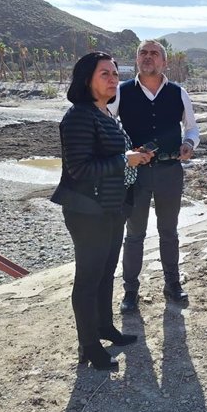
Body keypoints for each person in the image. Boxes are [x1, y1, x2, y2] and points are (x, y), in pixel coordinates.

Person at [51, 52, 153, 370]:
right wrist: (126, 160)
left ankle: (105, 327)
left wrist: (132, 154)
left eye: (114, 73)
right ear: (87, 80)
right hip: (87, 211)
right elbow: (80, 169)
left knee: (107, 273)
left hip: (111, 207)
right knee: (88, 280)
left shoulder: (107, 114)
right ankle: (89, 347)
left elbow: (114, 155)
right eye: (104, 74)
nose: (113, 79)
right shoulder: (78, 116)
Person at [108, 40, 200, 313]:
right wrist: (126, 153)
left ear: (164, 62)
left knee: (169, 232)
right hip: (134, 174)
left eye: (154, 54)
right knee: (134, 234)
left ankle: (172, 284)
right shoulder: (121, 92)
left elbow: (192, 129)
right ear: (137, 59)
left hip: (170, 172)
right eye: (143, 53)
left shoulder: (178, 92)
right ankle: (130, 292)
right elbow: (108, 126)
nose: (148, 57)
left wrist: (189, 145)